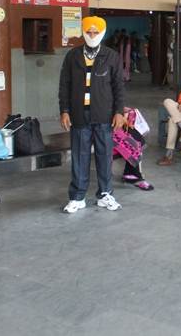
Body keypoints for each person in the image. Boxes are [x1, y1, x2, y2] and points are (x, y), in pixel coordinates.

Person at [58, 16, 126, 214]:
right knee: (80, 156)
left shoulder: (111, 56)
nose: (92, 35)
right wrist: (64, 110)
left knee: (105, 156)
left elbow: (118, 87)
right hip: (79, 115)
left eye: (96, 32)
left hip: (104, 115)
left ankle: (105, 194)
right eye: (89, 32)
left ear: (102, 33)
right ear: (83, 32)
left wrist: (119, 112)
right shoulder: (72, 56)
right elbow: (65, 86)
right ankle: (77, 197)